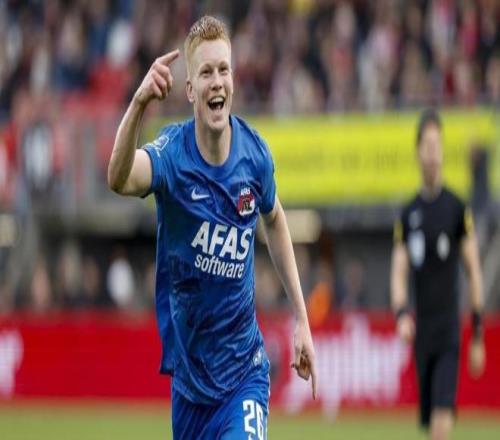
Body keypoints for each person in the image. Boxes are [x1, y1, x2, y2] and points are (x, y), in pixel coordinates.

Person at [107, 15, 316, 439]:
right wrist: (139, 102)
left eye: (224, 69)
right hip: (190, 389)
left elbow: (275, 220)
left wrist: (301, 318)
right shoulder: (172, 156)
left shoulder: (255, 157)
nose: (217, 81)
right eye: (206, 72)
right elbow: (119, 179)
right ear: (190, 90)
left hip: (244, 377)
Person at [390, 109, 485, 440]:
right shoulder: (408, 214)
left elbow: (474, 271)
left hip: (448, 333)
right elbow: (398, 272)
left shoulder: (457, 209)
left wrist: (477, 333)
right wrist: (401, 314)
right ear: (418, 151)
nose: (432, 153)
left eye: (437, 145)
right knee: (432, 424)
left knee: (441, 426)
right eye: (427, 146)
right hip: (422, 335)